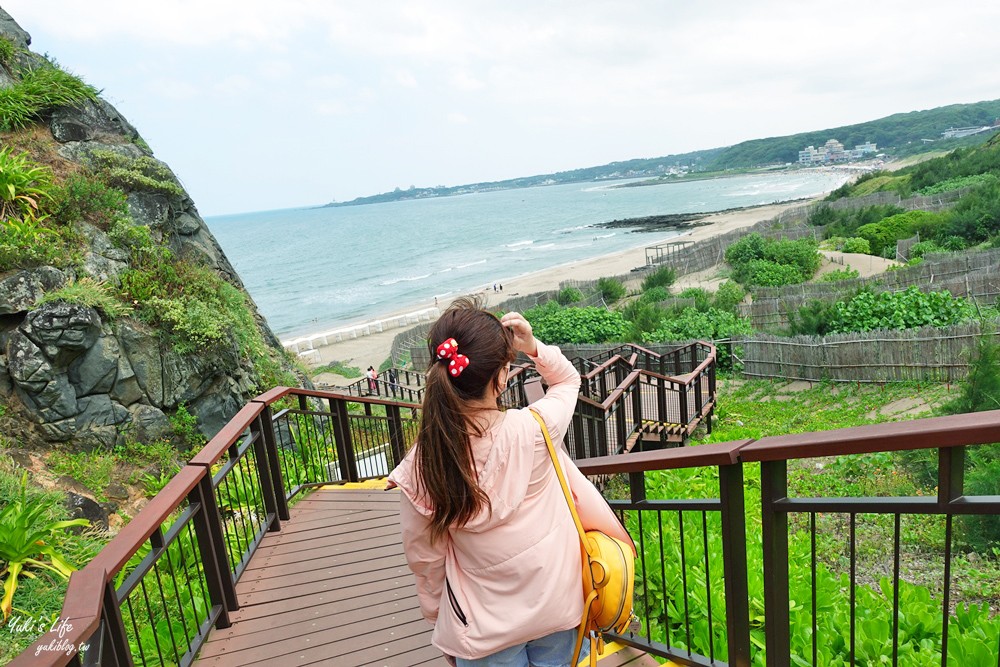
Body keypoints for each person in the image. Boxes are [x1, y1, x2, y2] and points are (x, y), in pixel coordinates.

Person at [387, 298, 632, 667]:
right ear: (501, 376)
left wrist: (443, 623)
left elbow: (425, 559)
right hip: (558, 605)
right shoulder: (535, 429)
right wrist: (532, 347)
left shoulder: (422, 464)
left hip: (483, 631)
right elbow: (567, 380)